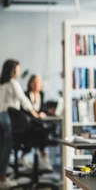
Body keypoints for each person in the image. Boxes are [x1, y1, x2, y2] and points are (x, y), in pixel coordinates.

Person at [0, 60, 41, 188]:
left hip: (1, 117)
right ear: (13, 70)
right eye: (18, 68)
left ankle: (2, 176)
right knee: (6, 146)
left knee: (2, 147)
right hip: (6, 117)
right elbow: (24, 100)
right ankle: (2, 178)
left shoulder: (2, 84)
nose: (19, 71)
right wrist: (35, 113)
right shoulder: (13, 83)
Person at [19, 74, 53, 171]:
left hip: (37, 124)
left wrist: (46, 112)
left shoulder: (41, 95)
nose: (36, 84)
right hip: (27, 124)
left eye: (38, 82)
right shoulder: (25, 94)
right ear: (30, 83)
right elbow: (24, 110)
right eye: (34, 82)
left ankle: (24, 155)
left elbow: (42, 108)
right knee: (40, 132)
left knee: (39, 131)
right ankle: (43, 155)